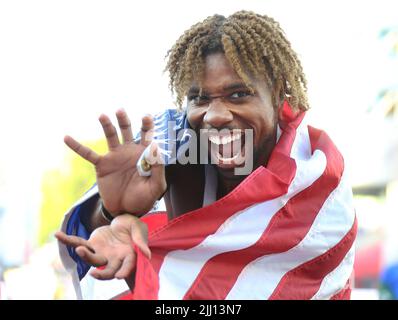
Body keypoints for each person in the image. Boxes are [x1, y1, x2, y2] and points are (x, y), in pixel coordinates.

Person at [56, 10, 357, 300]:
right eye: (198, 98)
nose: (214, 115)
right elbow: (102, 231)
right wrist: (112, 211)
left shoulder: (315, 173)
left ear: (278, 94)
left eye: (238, 94)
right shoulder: (172, 140)